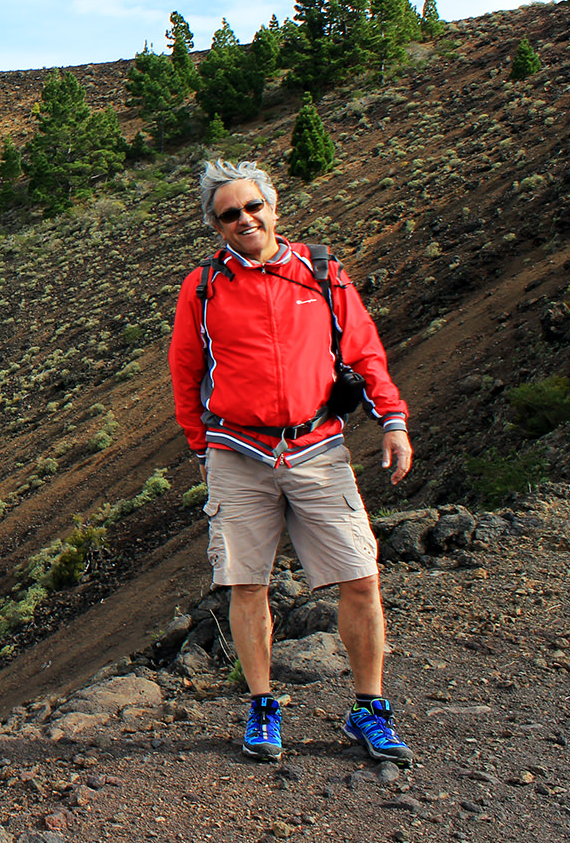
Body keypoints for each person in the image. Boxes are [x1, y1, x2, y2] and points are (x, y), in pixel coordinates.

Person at [168, 160, 416, 764]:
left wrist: (393, 420)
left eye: (252, 207)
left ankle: (369, 709)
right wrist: (201, 447)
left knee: (360, 578)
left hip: (318, 447)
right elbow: (185, 371)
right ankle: (262, 707)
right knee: (245, 584)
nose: (244, 220)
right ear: (216, 225)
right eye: (229, 214)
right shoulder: (203, 287)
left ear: (273, 208)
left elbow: (363, 347)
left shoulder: (323, 271)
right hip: (237, 452)